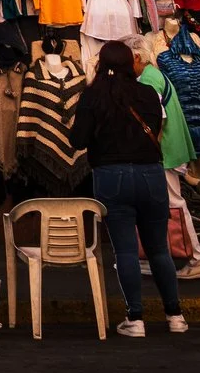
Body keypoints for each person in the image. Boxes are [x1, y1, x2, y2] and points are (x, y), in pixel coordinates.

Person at [72, 40, 188, 337]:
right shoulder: (148, 93)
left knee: (125, 249)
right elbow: (159, 130)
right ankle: (175, 315)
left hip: (112, 176)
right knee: (159, 248)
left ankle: (135, 318)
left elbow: (78, 140)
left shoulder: (93, 96)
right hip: (151, 173)